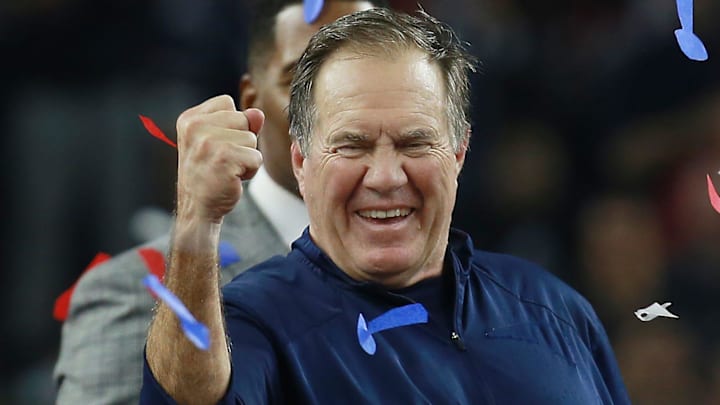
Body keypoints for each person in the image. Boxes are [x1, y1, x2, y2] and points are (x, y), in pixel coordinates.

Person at [141, 8, 631, 404]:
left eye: (415, 143)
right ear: (302, 162)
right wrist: (197, 222)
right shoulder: (255, 321)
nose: (385, 177)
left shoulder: (553, 308)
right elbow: (189, 398)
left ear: (458, 154)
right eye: (352, 145)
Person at [53, 1, 385, 404]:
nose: (345, 113)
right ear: (251, 99)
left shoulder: (459, 285)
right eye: (305, 81)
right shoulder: (134, 296)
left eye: (370, 82)